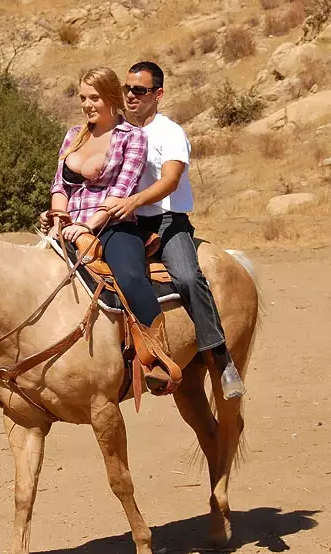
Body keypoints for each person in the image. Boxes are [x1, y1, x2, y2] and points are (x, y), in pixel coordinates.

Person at [102, 61, 246, 400]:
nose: (131, 95)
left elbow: (170, 180)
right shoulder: (118, 130)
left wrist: (134, 201)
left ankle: (221, 359)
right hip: (123, 220)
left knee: (187, 276)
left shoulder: (169, 133)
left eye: (140, 90)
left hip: (165, 221)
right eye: (127, 89)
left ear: (158, 94)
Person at [41, 66, 176, 394]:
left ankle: (157, 354)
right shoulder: (74, 135)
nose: (87, 105)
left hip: (113, 225)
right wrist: (58, 217)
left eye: (95, 98)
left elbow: (122, 190)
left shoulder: (132, 137)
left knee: (130, 277)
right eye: (82, 98)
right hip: (67, 226)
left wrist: (86, 226)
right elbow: (60, 184)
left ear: (112, 97)